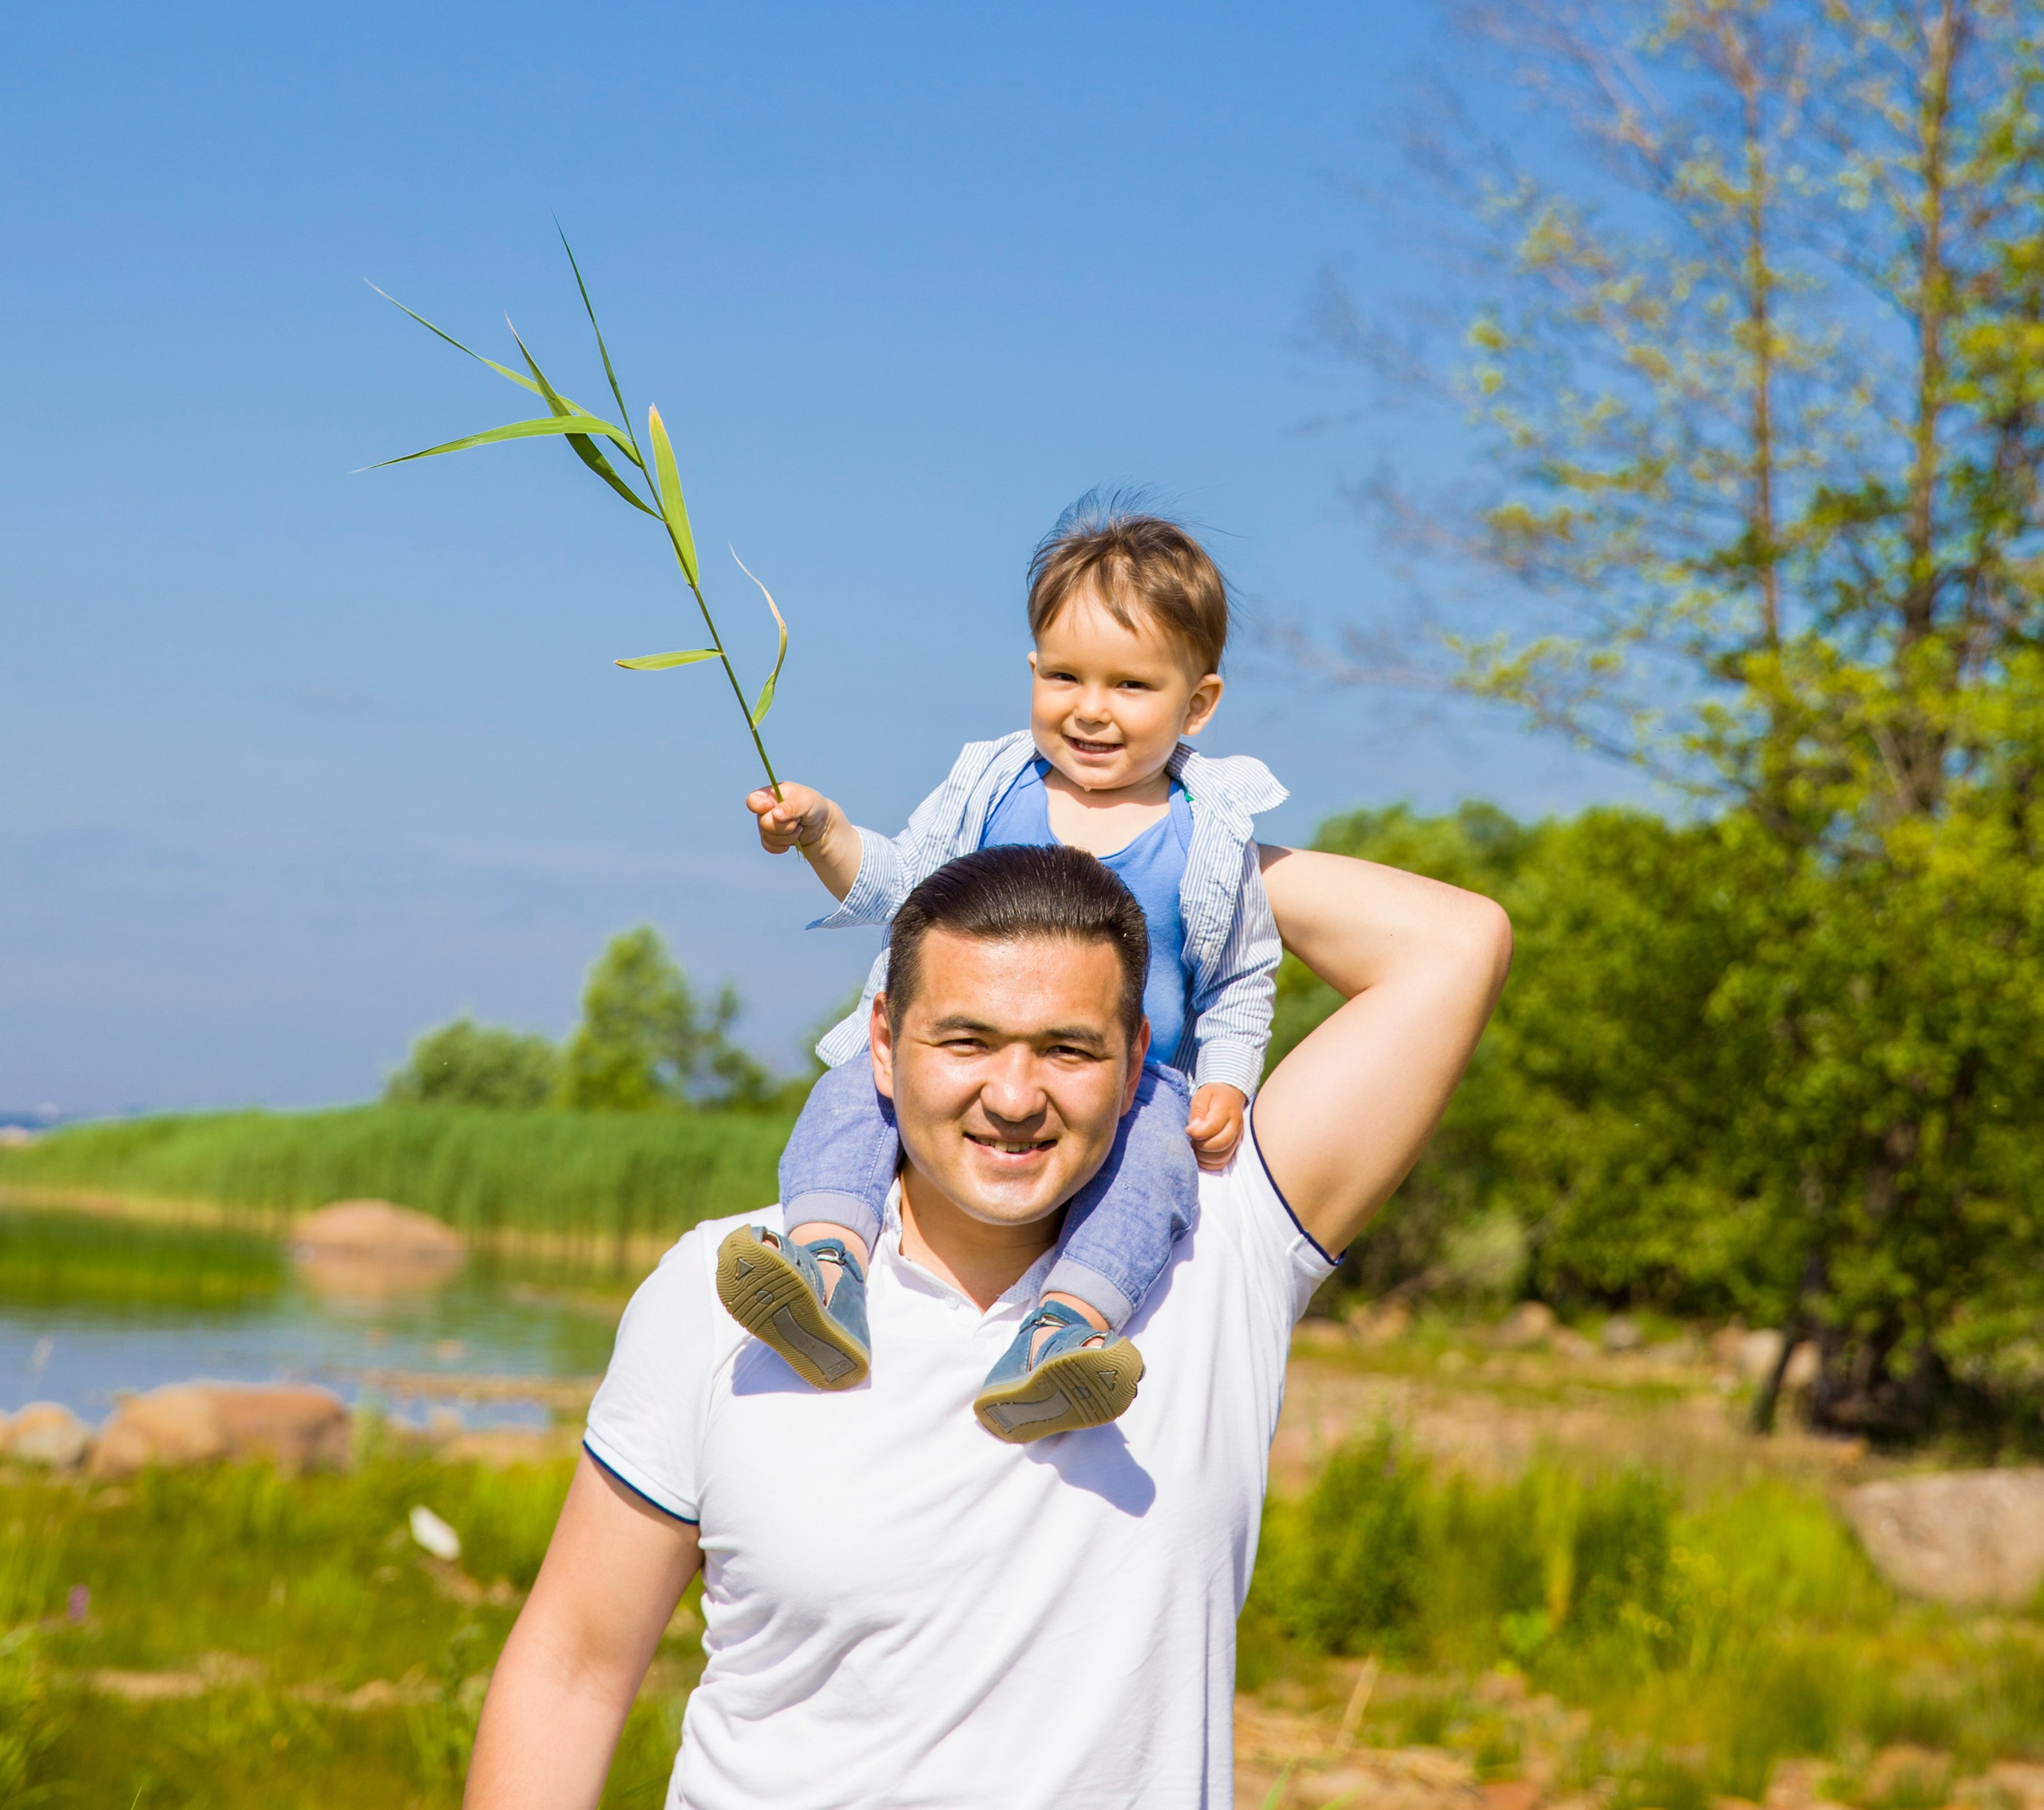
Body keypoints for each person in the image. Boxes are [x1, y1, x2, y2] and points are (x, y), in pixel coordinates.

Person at [465, 833, 1511, 1809]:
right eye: (966, 1039)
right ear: (883, 1042)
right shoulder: (726, 1285)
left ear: (1140, 1052)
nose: (1013, 1096)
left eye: (1067, 1049)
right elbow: (573, 1668)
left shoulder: (1226, 1243)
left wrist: (1153, 832)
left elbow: (1454, 945)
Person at [720, 498, 1286, 1438]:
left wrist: (1227, 1079)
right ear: (1031, 671)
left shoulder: (1210, 830)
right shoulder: (994, 781)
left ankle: (1064, 1336)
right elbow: (901, 882)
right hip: (952, 1051)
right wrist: (822, 832)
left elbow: (1240, 975)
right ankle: (824, 1268)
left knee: (1155, 1179)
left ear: (1198, 702)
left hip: (1133, 1085)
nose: (1090, 708)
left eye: (1131, 686)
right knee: (848, 1099)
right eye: (1064, 675)